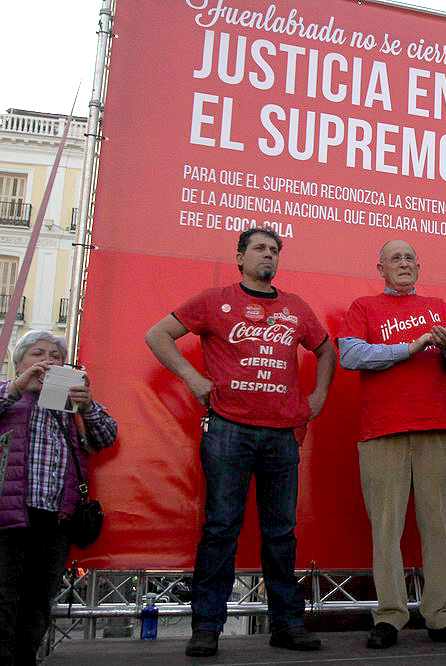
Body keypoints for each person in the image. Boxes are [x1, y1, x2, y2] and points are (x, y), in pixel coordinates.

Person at [145, 228, 335, 657]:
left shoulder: (296, 307)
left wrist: (318, 394)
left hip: (282, 434)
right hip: (229, 429)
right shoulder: (214, 301)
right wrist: (193, 377)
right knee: (220, 528)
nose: (268, 256)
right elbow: (157, 335)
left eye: (274, 251)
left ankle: (287, 624)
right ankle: (207, 626)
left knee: (281, 534)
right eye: (259, 249)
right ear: (240, 257)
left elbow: (325, 350)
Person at [338, 240, 446, 650]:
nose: (403, 263)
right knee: (386, 527)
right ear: (379, 267)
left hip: (436, 427)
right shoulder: (364, 307)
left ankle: (441, 615)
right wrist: (411, 347)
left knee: (437, 525)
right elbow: (351, 354)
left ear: (419, 266)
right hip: (382, 430)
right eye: (394, 258)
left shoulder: (438, 306)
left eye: (408, 258)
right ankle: (390, 615)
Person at [0, 331, 118, 664]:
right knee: (3, 598)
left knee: (39, 600)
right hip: (8, 517)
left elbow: (108, 435)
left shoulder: (70, 407)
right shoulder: (8, 394)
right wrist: (18, 386)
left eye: (55, 355)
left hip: (54, 519)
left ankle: (25, 659)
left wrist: (88, 405)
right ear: (19, 362)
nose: (47, 360)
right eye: (37, 353)